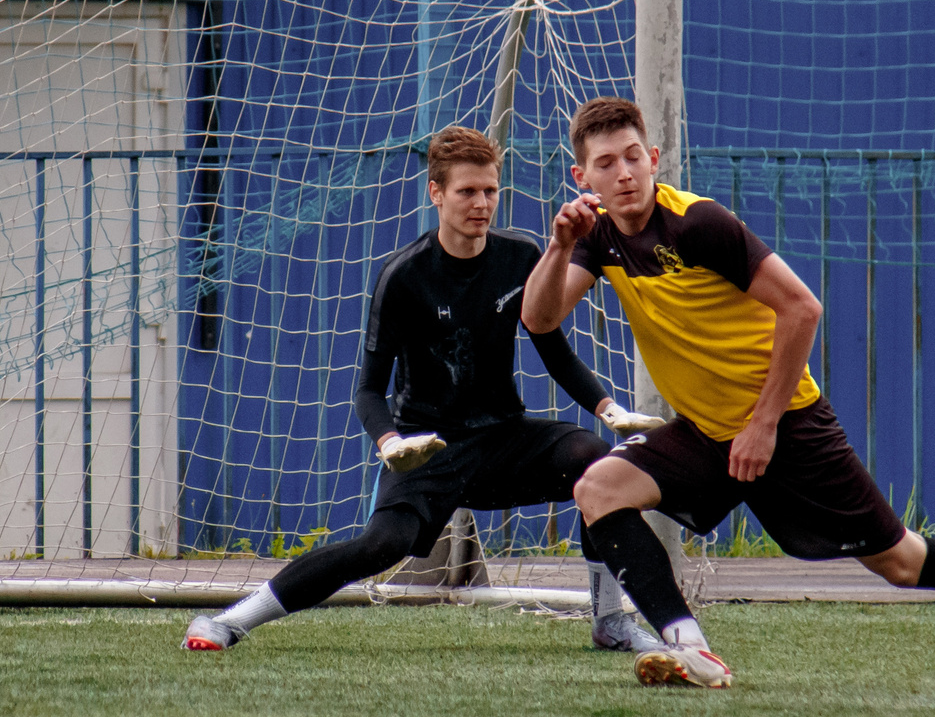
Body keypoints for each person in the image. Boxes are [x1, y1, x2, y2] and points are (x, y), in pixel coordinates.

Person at [525, 96, 935, 691]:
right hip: (707, 432)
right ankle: (689, 646)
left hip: (785, 425)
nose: (624, 173)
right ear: (582, 177)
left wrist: (763, 425)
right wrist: (556, 246)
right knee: (600, 488)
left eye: (634, 157)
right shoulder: (594, 235)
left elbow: (802, 307)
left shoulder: (697, 224)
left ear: (655, 158)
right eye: (606, 164)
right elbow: (540, 317)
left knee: (902, 562)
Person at [185, 126, 667, 655]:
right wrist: (391, 443)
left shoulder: (521, 255)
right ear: (436, 193)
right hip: (427, 450)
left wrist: (608, 408)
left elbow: (553, 348)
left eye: (489, 190)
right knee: (380, 546)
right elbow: (368, 390)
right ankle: (230, 621)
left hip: (502, 440)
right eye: (466, 191)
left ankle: (610, 621)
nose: (480, 204)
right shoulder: (404, 276)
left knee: (597, 464)